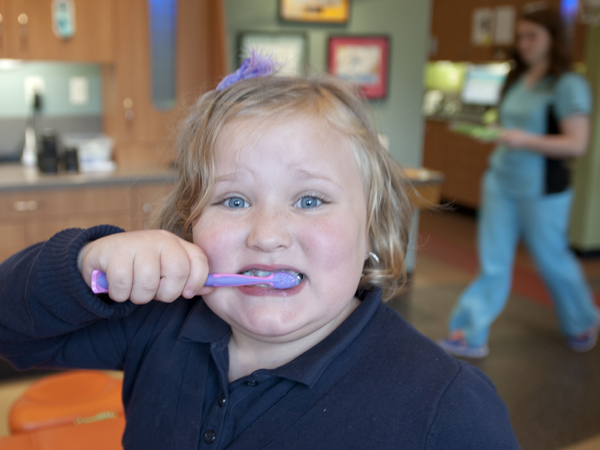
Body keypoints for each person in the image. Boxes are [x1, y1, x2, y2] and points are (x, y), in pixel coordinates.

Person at [0, 53, 520, 449]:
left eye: (310, 199)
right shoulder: (154, 323)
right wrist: (84, 264)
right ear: (188, 227)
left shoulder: (447, 407)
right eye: (233, 199)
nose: (267, 234)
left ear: (373, 231)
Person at [440, 7, 600, 359]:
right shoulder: (517, 77)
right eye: (521, 36)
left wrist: (522, 138)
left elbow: (577, 143)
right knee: (493, 263)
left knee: (552, 260)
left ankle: (583, 320)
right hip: (501, 181)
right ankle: (470, 332)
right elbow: (510, 126)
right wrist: (497, 133)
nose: (524, 43)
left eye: (533, 36)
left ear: (552, 40)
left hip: (542, 189)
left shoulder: (567, 84)